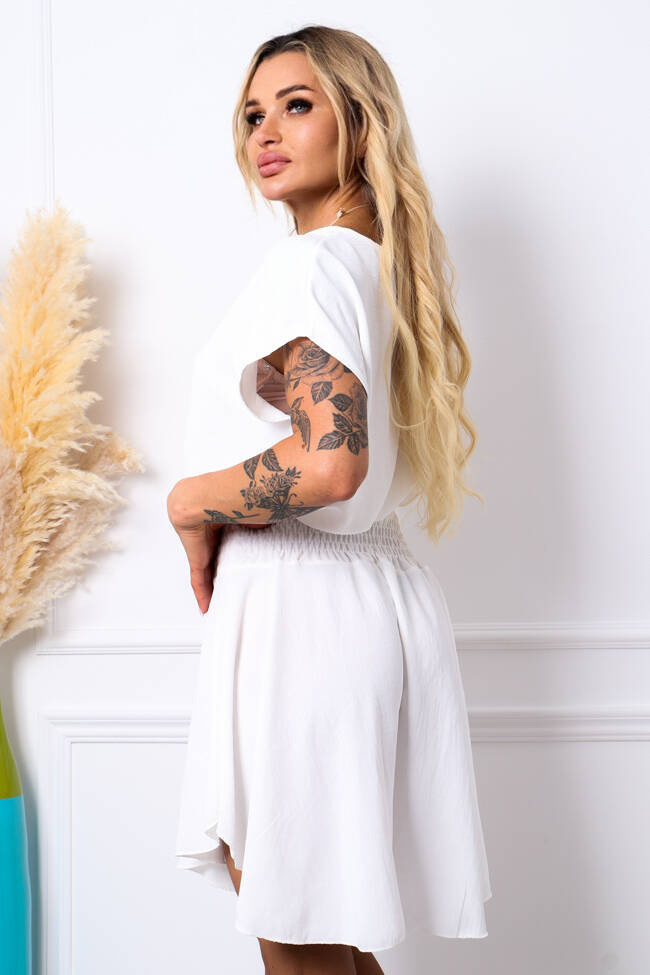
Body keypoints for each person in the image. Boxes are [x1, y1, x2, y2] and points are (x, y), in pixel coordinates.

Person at [167, 25, 492, 975]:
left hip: (305, 615)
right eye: (252, 115)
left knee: (300, 934)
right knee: (323, 932)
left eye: (297, 105)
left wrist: (192, 500)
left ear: (361, 120)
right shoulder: (369, 263)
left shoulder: (312, 266)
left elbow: (330, 465)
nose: (265, 132)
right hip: (353, 600)